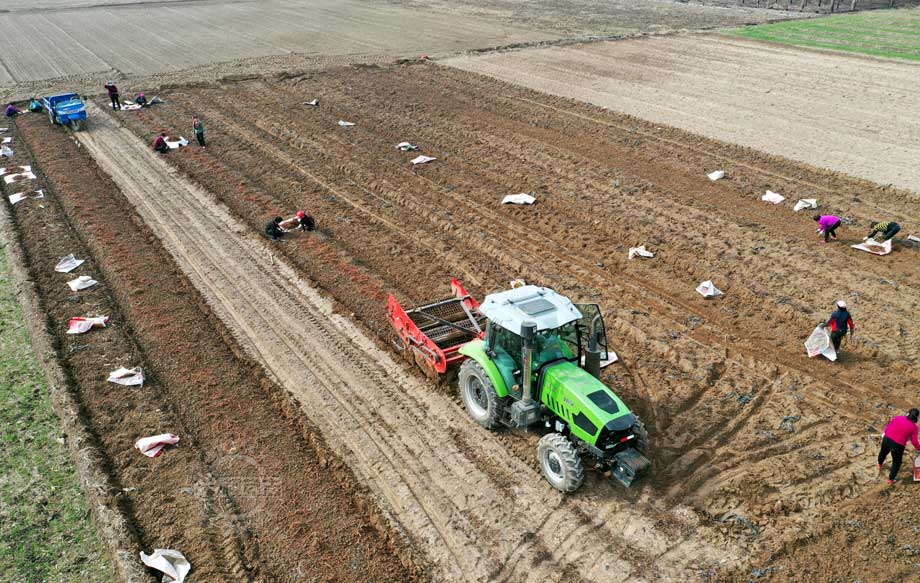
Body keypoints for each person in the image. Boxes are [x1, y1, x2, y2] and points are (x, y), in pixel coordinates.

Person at [877, 408, 920, 485]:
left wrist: (885, 433)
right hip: (897, 445)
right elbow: (914, 441)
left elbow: (888, 426)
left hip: (887, 438)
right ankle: (890, 480)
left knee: (883, 453)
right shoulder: (914, 428)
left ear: (908, 413)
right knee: (896, 462)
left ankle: (879, 465)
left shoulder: (898, 418)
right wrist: (919, 448)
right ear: (917, 418)